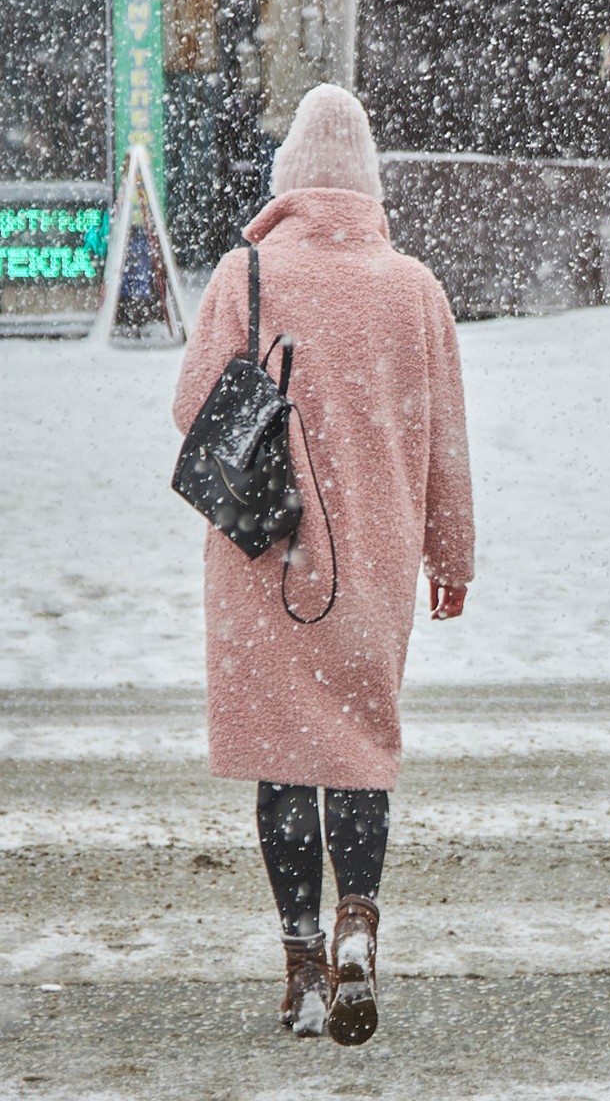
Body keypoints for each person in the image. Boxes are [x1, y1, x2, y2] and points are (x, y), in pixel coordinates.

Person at [172, 84, 475, 1043]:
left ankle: (303, 961)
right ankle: (359, 927)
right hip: (376, 562)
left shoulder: (244, 273)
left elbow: (193, 410)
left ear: (291, 179)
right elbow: (447, 444)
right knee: (358, 755)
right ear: (369, 183)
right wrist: (450, 555)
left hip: (263, 556)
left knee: (282, 760)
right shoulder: (415, 287)